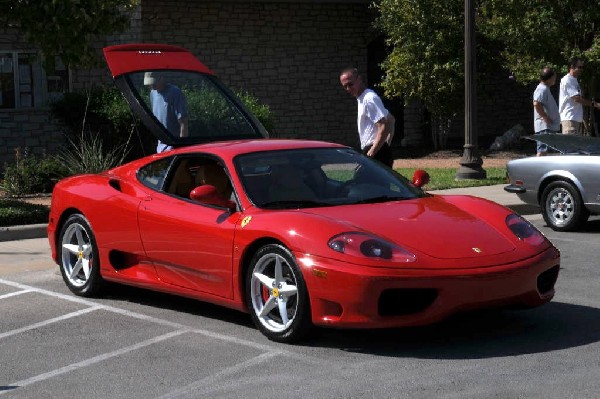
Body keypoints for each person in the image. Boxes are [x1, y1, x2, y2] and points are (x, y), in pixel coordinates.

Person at [339, 67, 395, 168]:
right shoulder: (363, 98)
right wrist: (386, 144)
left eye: (350, 84)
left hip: (376, 152)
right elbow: (391, 119)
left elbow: (384, 125)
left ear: (359, 79)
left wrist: (373, 151)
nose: (348, 89)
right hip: (377, 150)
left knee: (362, 183)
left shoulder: (368, 99)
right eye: (345, 86)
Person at [144, 72, 189, 152]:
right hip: (160, 146)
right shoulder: (152, 94)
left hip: (175, 146)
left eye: (154, 82)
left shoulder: (175, 92)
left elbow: (183, 122)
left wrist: (181, 147)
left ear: (161, 78)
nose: (152, 86)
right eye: (150, 83)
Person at [558, 57, 600, 135]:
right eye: (579, 67)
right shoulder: (567, 80)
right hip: (570, 119)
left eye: (582, 67)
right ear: (572, 67)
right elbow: (577, 99)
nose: (581, 69)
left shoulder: (574, 80)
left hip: (575, 119)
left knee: (574, 146)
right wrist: (595, 104)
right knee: (570, 146)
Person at [532, 67, 560, 156]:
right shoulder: (542, 89)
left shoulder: (545, 89)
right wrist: (545, 117)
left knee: (545, 152)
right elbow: (536, 103)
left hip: (547, 127)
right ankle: (537, 169)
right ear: (549, 78)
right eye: (554, 77)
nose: (555, 79)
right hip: (544, 127)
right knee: (542, 151)